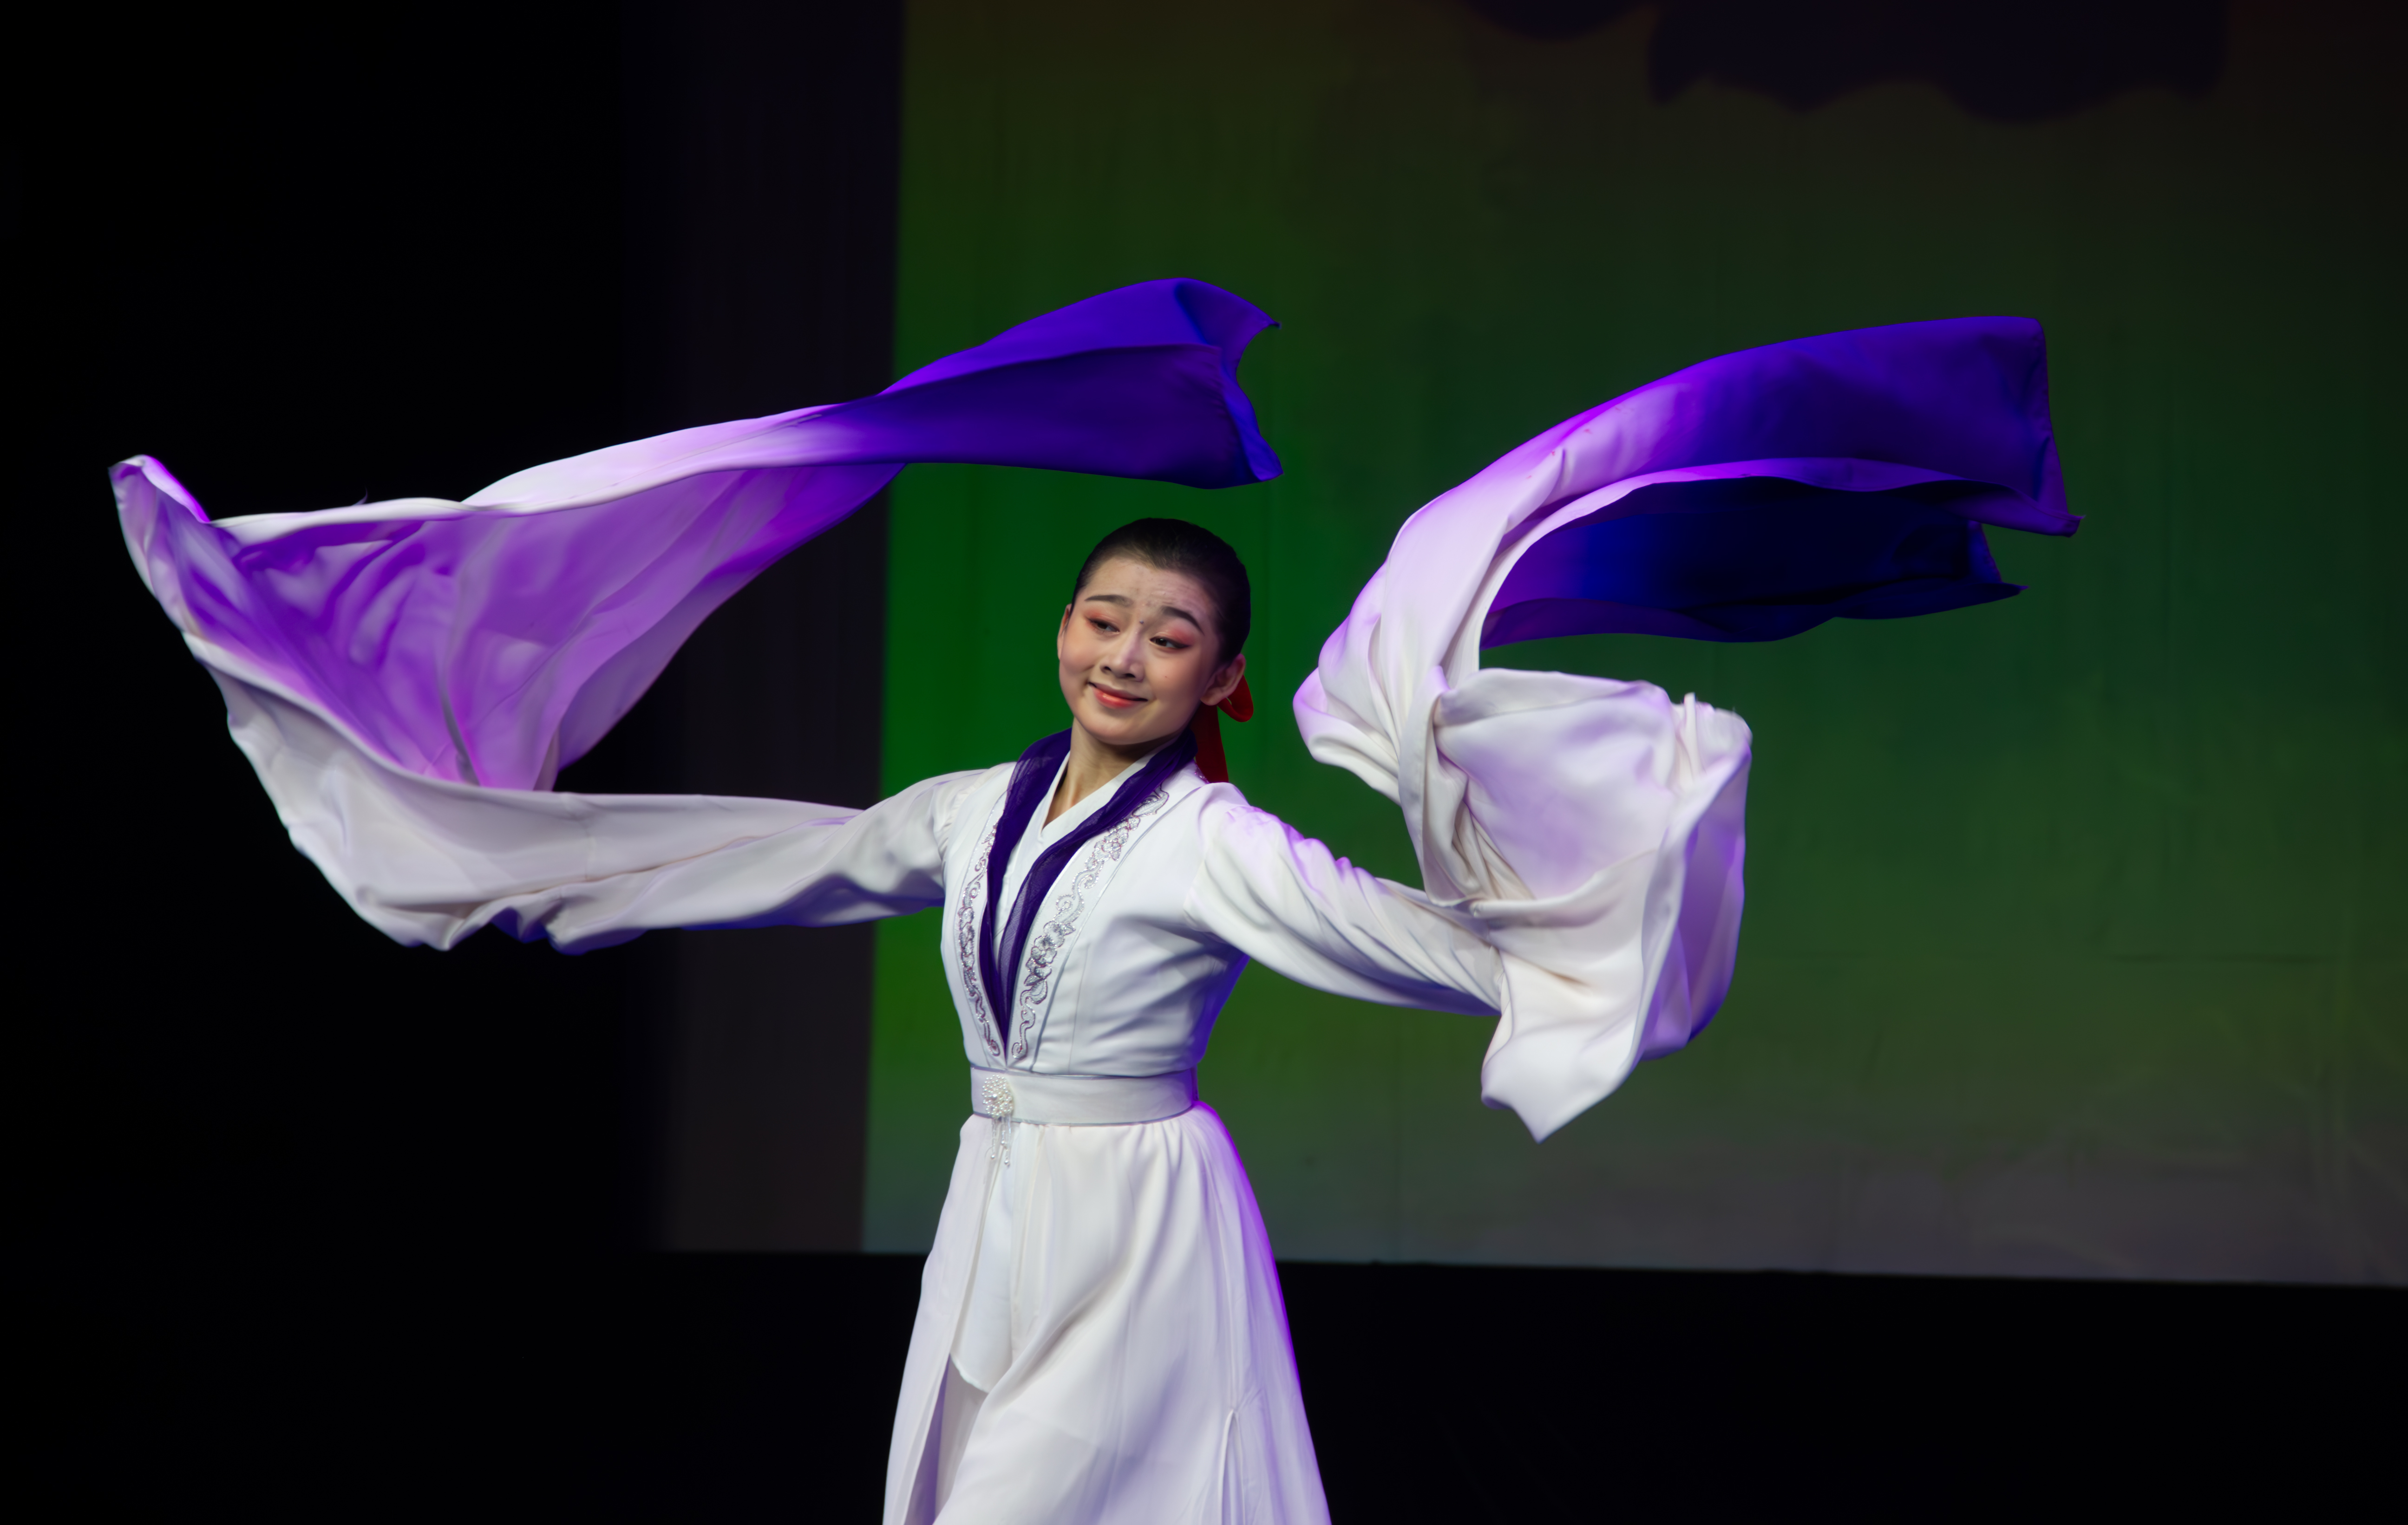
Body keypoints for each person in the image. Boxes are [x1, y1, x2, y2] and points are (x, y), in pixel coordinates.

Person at [112, 280, 2073, 1522]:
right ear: (1065, 629)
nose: (1125, 653)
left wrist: (1582, 887)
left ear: (1224, 680)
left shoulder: (1215, 846)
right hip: (998, 1211)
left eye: (1171, 637)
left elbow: (1427, 953)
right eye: (1105, 616)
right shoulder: (971, 812)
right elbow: (762, 862)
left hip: (1141, 1229)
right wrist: (518, 880)